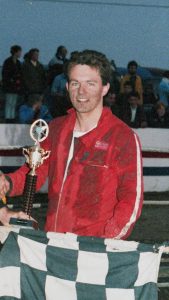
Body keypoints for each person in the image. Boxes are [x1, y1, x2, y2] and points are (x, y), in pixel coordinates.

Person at [0, 50, 143, 239]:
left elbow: (131, 199)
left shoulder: (123, 137)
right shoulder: (55, 129)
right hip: (53, 242)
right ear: (67, 86)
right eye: (75, 83)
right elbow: (34, 172)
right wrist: (6, 183)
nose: (81, 91)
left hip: (94, 248)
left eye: (90, 84)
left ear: (105, 88)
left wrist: (107, 241)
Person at [2, 45, 23, 123]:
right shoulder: (8, 62)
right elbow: (5, 74)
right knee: (9, 102)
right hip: (9, 86)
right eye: (19, 52)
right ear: (16, 52)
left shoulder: (18, 63)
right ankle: (8, 118)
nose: (20, 53)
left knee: (13, 103)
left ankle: (12, 117)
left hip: (15, 86)